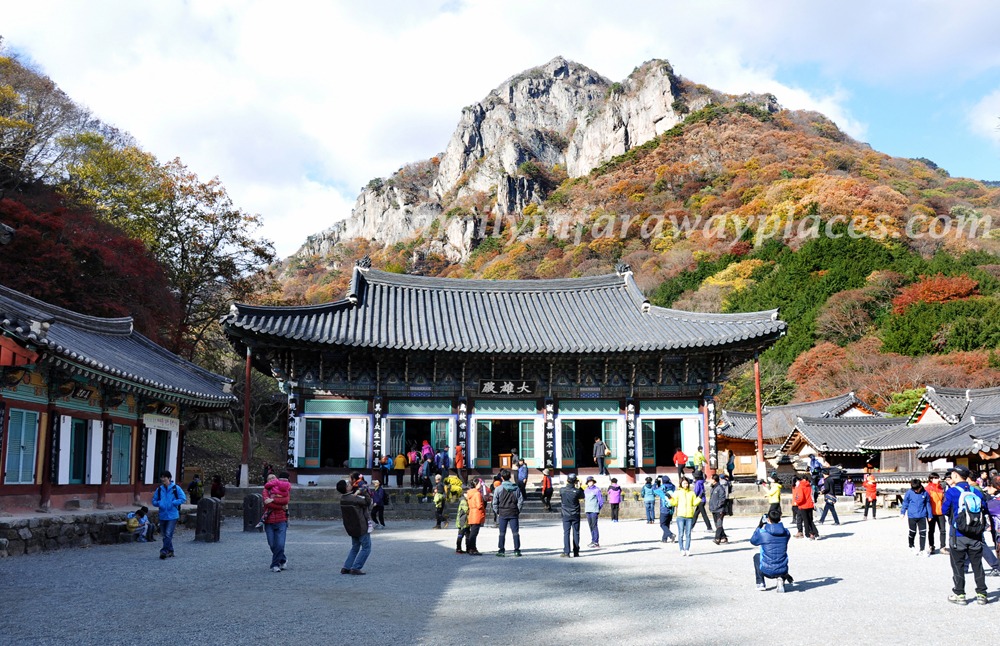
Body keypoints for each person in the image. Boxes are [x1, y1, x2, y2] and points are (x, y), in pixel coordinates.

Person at [941, 465, 988, 604]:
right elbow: (984, 508)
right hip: (975, 534)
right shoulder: (976, 491)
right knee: (977, 564)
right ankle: (982, 594)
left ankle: (960, 594)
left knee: (958, 564)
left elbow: (944, 510)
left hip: (958, 534)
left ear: (955, 476)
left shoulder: (952, 492)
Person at [750, 508, 794, 592]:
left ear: (768, 519)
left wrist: (759, 526)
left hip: (767, 570)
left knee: (757, 556)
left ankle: (760, 583)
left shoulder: (762, 533)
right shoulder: (786, 532)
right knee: (780, 556)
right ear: (780, 518)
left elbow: (753, 541)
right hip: (782, 569)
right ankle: (780, 578)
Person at [337, 478, 372, 575]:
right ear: (346, 488)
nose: (350, 484)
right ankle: (356, 567)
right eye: (348, 484)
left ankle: (346, 567)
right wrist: (364, 491)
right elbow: (368, 502)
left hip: (351, 527)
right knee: (366, 547)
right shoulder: (354, 499)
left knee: (355, 547)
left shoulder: (343, 499)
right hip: (361, 525)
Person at [151, 470, 186, 560]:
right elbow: (154, 501)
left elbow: (183, 498)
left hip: (172, 515)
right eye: (161, 477)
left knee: (168, 534)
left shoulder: (176, 488)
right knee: (164, 534)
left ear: (169, 478)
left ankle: (164, 551)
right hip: (162, 514)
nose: (163, 479)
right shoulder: (159, 489)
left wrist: (174, 503)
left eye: (164, 477)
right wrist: (159, 503)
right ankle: (171, 550)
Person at [262, 471, 291, 572]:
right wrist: (280, 506)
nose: (272, 480)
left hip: (281, 520)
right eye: (269, 479)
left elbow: (286, 500)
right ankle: (282, 559)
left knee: (280, 544)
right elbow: (267, 503)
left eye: (273, 478)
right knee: (272, 544)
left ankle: (275, 565)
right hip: (269, 521)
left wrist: (273, 500)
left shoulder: (284, 489)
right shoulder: (266, 490)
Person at [492, 468, 524, 557]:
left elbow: (494, 502)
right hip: (513, 512)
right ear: (510, 477)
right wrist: (518, 510)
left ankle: (501, 550)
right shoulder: (516, 488)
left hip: (502, 512)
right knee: (515, 532)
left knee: (502, 532)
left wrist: (497, 511)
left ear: (502, 478)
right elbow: (520, 501)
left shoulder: (498, 489)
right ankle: (517, 550)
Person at [900, 477, 932, 556]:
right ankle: (911, 546)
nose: (916, 491)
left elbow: (928, 504)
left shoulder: (925, 493)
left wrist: (929, 515)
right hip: (912, 516)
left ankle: (922, 549)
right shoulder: (909, 493)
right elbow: (905, 503)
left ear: (920, 486)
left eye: (917, 489)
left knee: (923, 532)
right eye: (914, 489)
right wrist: (902, 512)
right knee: (912, 532)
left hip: (922, 515)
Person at [669, 477, 698, 556]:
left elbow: (694, 503)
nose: (686, 484)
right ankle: (681, 549)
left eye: (687, 483)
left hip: (689, 516)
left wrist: (699, 498)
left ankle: (687, 549)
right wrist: (670, 498)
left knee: (688, 534)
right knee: (681, 533)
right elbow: (674, 503)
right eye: (684, 483)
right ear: (681, 484)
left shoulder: (691, 493)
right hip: (680, 515)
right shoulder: (677, 492)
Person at [559, 473, 585, 557]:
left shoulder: (562, 490)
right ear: (575, 481)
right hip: (575, 513)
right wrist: (579, 486)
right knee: (576, 532)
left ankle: (566, 551)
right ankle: (576, 551)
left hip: (566, 513)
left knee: (566, 533)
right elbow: (582, 495)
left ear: (567, 480)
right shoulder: (577, 491)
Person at [926, 472, 947, 554]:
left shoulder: (941, 488)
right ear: (931, 479)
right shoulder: (927, 489)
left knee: (943, 530)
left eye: (938, 478)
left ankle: (943, 547)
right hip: (931, 512)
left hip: (940, 512)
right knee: (931, 530)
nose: (938, 479)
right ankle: (931, 546)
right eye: (935, 478)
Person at [793, 474, 818, 540]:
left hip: (803, 505)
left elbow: (800, 497)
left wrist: (797, 502)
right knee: (810, 519)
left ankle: (808, 533)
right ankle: (814, 532)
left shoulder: (800, 486)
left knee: (805, 520)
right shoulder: (809, 485)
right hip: (810, 504)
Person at [465, 479, 485, 555]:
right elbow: (479, 505)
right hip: (477, 513)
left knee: (472, 532)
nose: (481, 484)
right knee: (474, 533)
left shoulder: (470, 493)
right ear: (476, 484)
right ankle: (472, 548)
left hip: (471, 513)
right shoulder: (477, 493)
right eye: (480, 483)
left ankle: (471, 548)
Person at [584, 476, 604, 549]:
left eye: (591, 481)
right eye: (589, 481)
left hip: (594, 510)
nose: (590, 483)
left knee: (594, 525)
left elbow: (600, 501)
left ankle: (596, 541)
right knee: (590, 526)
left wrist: (598, 508)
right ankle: (593, 540)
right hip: (588, 510)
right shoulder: (585, 490)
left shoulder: (597, 490)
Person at [709, 474, 729, 544]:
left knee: (719, 524)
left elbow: (722, 499)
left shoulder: (720, 488)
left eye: (711, 479)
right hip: (714, 509)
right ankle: (724, 537)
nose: (709, 480)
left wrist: (718, 505)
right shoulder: (712, 487)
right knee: (716, 524)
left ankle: (717, 538)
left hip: (720, 509)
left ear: (714, 480)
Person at [656, 476, 676, 543]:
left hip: (664, 508)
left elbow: (654, 490)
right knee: (667, 524)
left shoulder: (662, 488)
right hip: (671, 508)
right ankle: (664, 539)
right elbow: (673, 485)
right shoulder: (673, 487)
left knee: (662, 524)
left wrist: (655, 483)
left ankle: (671, 535)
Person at [455, 484, 470, 554]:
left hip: (466, 521)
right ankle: (458, 548)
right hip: (462, 521)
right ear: (464, 493)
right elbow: (467, 510)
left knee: (468, 535)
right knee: (460, 535)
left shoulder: (465, 500)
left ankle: (468, 548)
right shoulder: (463, 501)